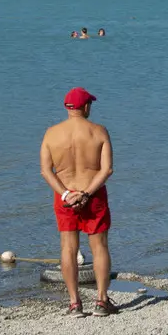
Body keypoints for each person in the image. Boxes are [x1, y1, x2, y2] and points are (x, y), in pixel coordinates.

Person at [39, 87, 118, 316]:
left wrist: (66, 195)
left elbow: (46, 171)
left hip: (65, 197)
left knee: (68, 248)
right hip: (93, 196)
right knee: (100, 247)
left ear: (67, 107)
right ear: (85, 107)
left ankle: (74, 303)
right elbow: (107, 169)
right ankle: (102, 301)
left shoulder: (51, 134)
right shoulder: (99, 131)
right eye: (89, 104)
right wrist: (86, 194)